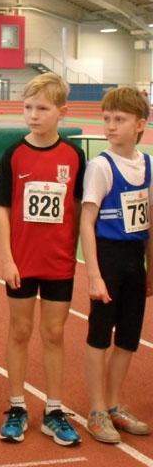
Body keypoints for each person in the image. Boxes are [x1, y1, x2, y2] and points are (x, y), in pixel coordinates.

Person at [0, 72, 85, 446]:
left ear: (62, 111)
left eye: (42, 109)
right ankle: (16, 406)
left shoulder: (74, 156)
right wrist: (7, 260)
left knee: (55, 334)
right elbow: (2, 208)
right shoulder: (14, 154)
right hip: (22, 262)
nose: (33, 115)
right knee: (20, 330)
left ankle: (54, 411)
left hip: (59, 262)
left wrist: (75, 252)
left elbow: (78, 206)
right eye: (28, 107)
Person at [80, 87, 152, 444]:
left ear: (140, 124)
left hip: (135, 260)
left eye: (119, 119)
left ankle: (113, 404)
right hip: (107, 257)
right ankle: (96, 409)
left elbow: (149, 221)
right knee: (100, 335)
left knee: (128, 337)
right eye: (106, 118)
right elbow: (86, 222)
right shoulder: (100, 166)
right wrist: (93, 275)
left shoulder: (148, 164)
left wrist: (151, 269)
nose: (110, 125)